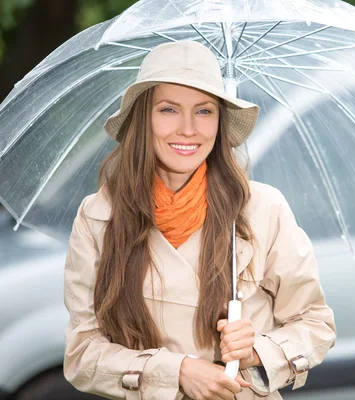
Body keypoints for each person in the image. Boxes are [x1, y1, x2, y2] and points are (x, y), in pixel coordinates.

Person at [63, 40, 336, 400]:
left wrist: (255, 350)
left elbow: (316, 325)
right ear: (144, 118)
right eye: (169, 110)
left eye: (204, 111)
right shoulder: (99, 217)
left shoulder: (261, 209)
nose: (189, 129)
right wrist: (177, 371)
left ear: (220, 122)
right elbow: (82, 355)